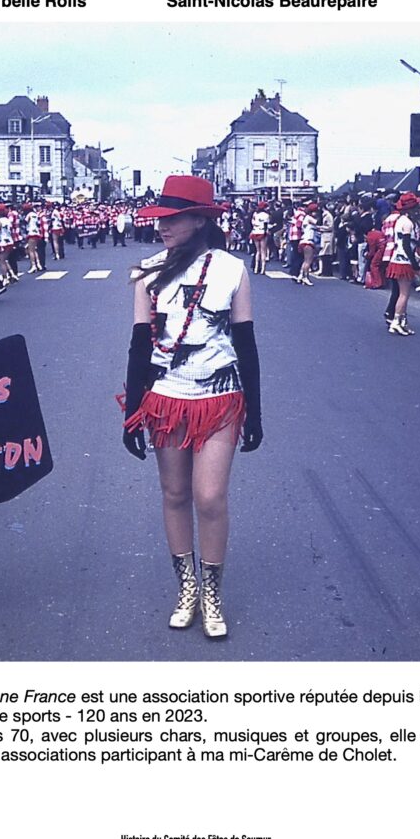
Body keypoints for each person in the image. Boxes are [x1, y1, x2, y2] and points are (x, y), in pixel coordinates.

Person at [121, 176, 263, 639]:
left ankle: (212, 592)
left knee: (209, 496)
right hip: (165, 398)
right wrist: (131, 414)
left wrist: (256, 413)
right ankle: (187, 589)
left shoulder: (232, 270)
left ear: (200, 219)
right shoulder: (147, 273)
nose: (161, 227)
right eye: (159, 219)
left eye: (172, 219)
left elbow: (246, 343)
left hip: (219, 398)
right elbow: (139, 345)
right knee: (176, 494)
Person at [385, 192, 420, 335]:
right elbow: (406, 245)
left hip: (397, 258)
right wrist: (414, 262)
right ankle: (396, 321)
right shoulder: (408, 223)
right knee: (404, 294)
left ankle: (401, 321)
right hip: (404, 260)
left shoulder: (399, 220)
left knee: (401, 293)